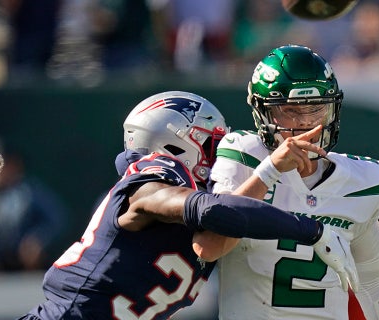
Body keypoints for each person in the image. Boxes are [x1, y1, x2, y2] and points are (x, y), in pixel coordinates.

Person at [19, 91, 358, 320]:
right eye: (212, 144)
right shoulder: (147, 182)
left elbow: (261, 231)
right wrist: (311, 230)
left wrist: (374, 231)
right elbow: (213, 210)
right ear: (177, 142)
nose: (218, 157)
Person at [204, 44, 379, 320]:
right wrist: (269, 171)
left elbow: (373, 284)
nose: (307, 122)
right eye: (291, 110)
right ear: (264, 114)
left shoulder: (364, 181)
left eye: (316, 108)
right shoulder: (245, 157)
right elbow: (211, 244)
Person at [0, 139, 67, 271]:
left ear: (14, 165)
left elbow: (57, 219)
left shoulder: (30, 192)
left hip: (31, 269)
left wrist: (38, 240)